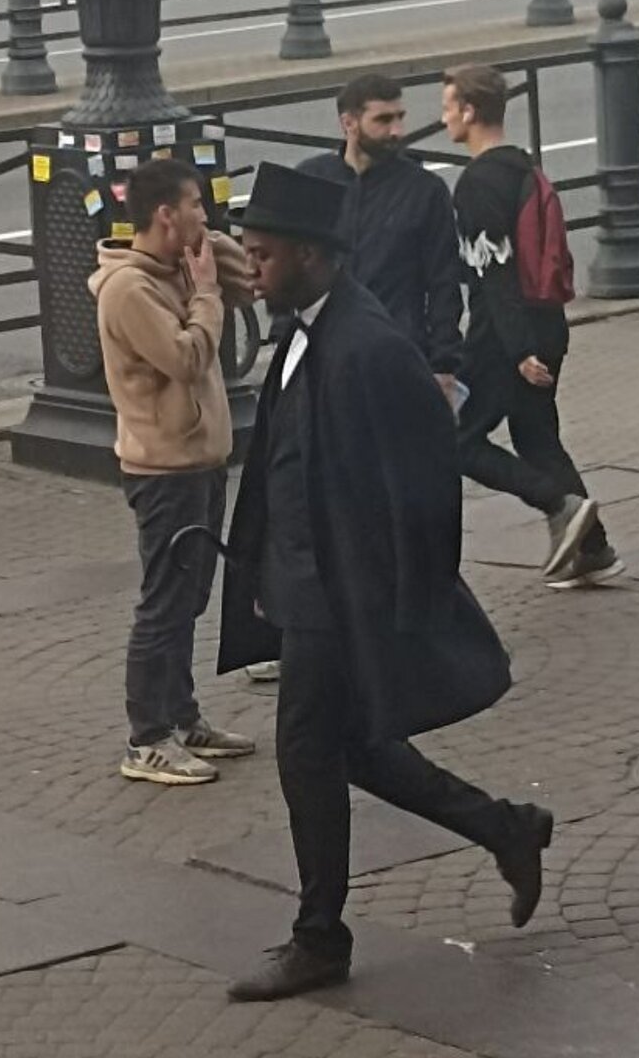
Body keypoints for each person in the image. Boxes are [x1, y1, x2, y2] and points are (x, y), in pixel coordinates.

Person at [215, 162, 553, 1002]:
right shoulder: (304, 330)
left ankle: (319, 939)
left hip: (339, 596)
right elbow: (285, 460)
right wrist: (266, 566)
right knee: (355, 747)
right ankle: (507, 827)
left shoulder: (369, 346)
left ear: (312, 254)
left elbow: (427, 479)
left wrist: (408, 597)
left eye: (262, 254)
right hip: (305, 584)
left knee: (306, 753)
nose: (251, 269)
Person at [243, 73, 465, 683]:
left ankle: (388, 626)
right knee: (308, 488)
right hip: (317, 356)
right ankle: (304, 626)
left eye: (399, 117)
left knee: (381, 500)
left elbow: (443, 281)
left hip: (390, 362)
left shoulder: (422, 191)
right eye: (382, 119)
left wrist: (444, 364)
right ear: (348, 122)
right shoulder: (314, 184)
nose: (397, 130)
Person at [88, 157, 256, 787]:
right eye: (195, 206)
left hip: (200, 461)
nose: (204, 215)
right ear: (165, 214)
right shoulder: (129, 290)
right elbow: (186, 359)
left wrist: (209, 250)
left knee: (191, 598)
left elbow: (250, 280)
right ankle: (147, 738)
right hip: (163, 469)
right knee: (164, 603)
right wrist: (206, 294)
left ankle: (183, 718)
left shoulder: (177, 265)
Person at [441, 64, 624, 588]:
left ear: (469, 112)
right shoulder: (524, 166)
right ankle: (593, 549)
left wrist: (519, 349)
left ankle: (557, 505)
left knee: (457, 438)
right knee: (538, 438)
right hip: (548, 323)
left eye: (448, 107)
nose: (444, 117)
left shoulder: (477, 183)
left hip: (503, 336)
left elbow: (495, 272)